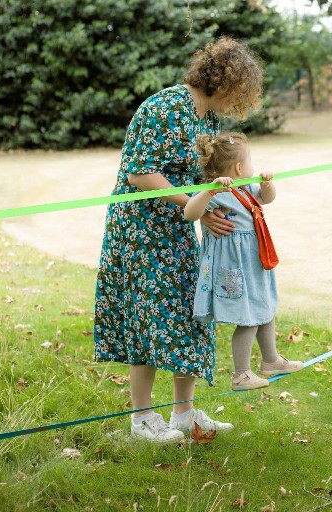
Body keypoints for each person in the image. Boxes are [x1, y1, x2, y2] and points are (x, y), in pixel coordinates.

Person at [94, 37, 262, 443]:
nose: (241, 100)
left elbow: (202, 178)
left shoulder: (206, 120)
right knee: (149, 319)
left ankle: (184, 414)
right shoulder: (164, 107)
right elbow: (140, 174)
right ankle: (142, 420)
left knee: (191, 314)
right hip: (140, 233)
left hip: (177, 229)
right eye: (241, 91)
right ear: (225, 82)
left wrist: (218, 208)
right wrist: (197, 206)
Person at [184, 131, 303, 391]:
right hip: (233, 266)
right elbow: (189, 212)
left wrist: (267, 185)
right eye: (250, 161)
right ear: (239, 167)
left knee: (264, 306)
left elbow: (267, 199)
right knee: (247, 317)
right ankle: (241, 374)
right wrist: (208, 191)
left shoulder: (247, 186)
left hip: (254, 261)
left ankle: (271, 360)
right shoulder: (215, 192)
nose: (252, 166)